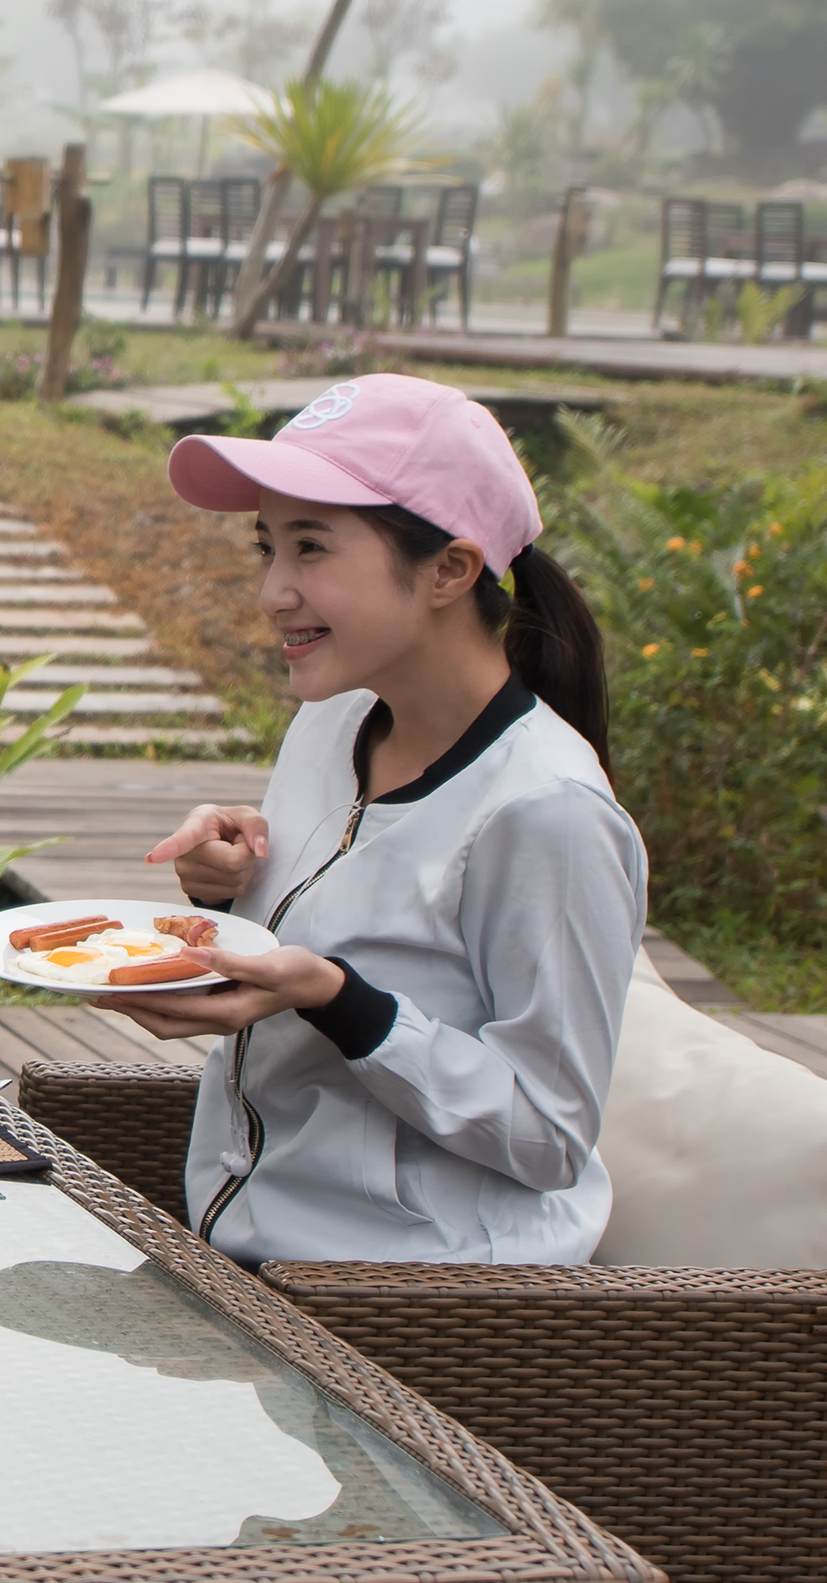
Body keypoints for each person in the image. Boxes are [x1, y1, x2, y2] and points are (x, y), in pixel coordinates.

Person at [98, 373, 640, 1263]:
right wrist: (235, 884)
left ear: (451, 570)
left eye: (312, 548)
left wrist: (345, 1003)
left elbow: (549, 1134)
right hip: (244, 1252)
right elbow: (338, 929)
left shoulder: (550, 814)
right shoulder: (333, 720)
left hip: (425, 1305)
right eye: (266, 548)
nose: (273, 590)